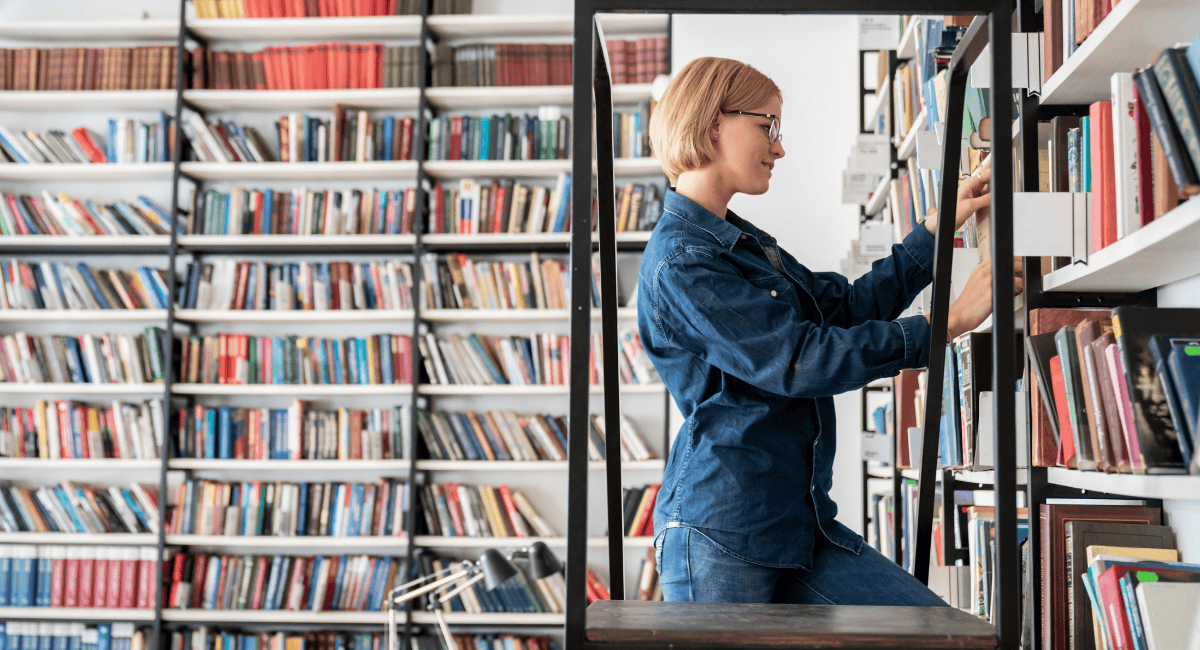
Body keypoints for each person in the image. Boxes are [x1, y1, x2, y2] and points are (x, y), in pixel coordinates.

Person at [638, 57, 1023, 605]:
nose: (779, 147)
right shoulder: (682, 260)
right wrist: (947, 323)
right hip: (722, 532)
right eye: (767, 126)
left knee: (931, 628)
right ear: (712, 122)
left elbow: (842, 308)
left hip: (800, 522)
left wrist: (936, 231)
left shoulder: (740, 240)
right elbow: (800, 361)